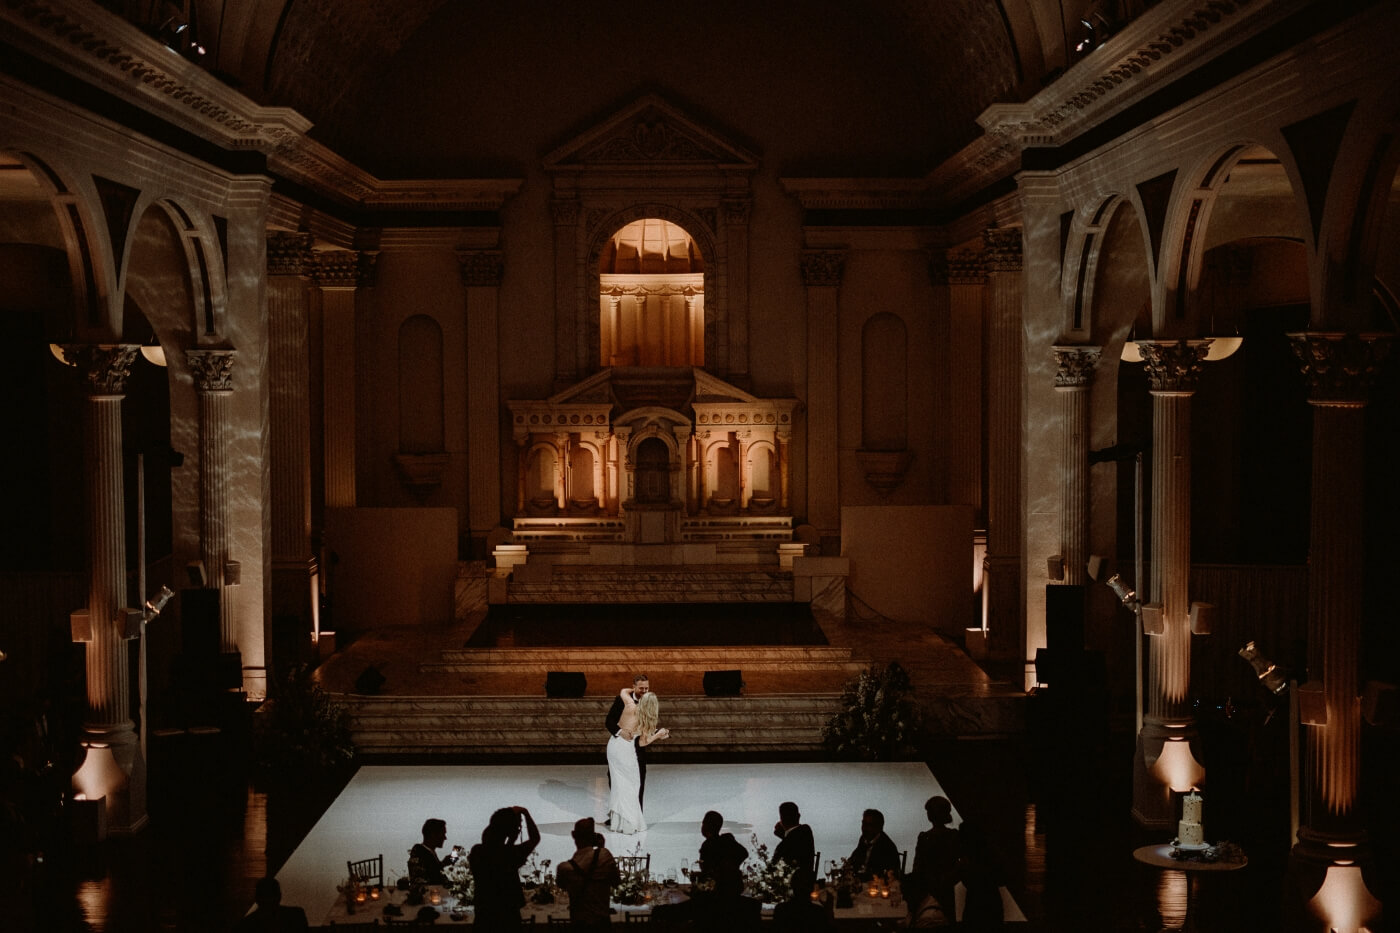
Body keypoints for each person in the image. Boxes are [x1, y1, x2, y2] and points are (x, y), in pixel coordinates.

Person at [606, 685, 669, 834]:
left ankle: (618, 823)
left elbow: (622, 691)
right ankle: (627, 824)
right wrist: (659, 735)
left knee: (619, 785)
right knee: (631, 786)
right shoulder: (646, 718)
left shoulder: (629, 705)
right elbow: (642, 742)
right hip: (627, 751)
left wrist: (635, 689)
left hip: (614, 746)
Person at [468, 805, 541, 929]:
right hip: (509, 916)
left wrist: (505, 827)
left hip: (484, 915)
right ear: (512, 831)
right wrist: (526, 813)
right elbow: (535, 838)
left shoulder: (477, 852)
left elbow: (491, 842)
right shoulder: (511, 854)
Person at [555, 817, 621, 931]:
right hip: (603, 926)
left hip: (579, 926)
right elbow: (616, 882)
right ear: (594, 837)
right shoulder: (605, 856)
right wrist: (601, 848)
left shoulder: (564, 869)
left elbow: (561, 885)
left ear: (573, 835)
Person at [605, 673, 650, 821]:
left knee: (638, 781)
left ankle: (636, 817)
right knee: (616, 780)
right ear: (634, 687)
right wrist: (620, 732)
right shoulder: (622, 700)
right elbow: (609, 721)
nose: (644, 691)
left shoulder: (649, 701)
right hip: (621, 746)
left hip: (638, 748)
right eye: (641, 688)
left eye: (646, 688)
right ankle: (617, 816)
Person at [906, 796, 959, 923]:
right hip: (946, 890)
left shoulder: (925, 838)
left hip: (926, 890)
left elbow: (917, 868)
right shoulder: (954, 836)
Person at [955, 820, 1004, 930]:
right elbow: (1001, 879)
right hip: (992, 901)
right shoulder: (990, 855)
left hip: (974, 903)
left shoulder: (966, 858)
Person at [696, 809, 748, 892]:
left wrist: (725, 869)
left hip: (720, 892)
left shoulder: (718, 842)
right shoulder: (723, 841)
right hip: (727, 891)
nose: (702, 826)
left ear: (707, 825)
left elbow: (711, 872)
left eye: (703, 823)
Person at [233, 877, 309, 932]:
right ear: (279, 896)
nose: (269, 901)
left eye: (270, 896)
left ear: (256, 899)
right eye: (267, 897)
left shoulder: (245, 925)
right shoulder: (296, 916)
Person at [847, 808, 901, 880]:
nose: (864, 828)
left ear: (878, 827)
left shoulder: (887, 847)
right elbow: (853, 860)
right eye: (863, 823)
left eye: (868, 825)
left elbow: (886, 874)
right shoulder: (864, 839)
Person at [408, 817, 457, 887]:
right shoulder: (419, 852)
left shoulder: (428, 853)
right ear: (433, 834)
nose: (445, 838)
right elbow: (429, 879)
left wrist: (445, 863)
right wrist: (444, 864)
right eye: (442, 834)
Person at [771, 800, 815, 872]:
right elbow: (793, 839)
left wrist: (781, 832)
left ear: (781, 819)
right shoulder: (805, 832)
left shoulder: (783, 846)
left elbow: (773, 866)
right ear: (798, 816)